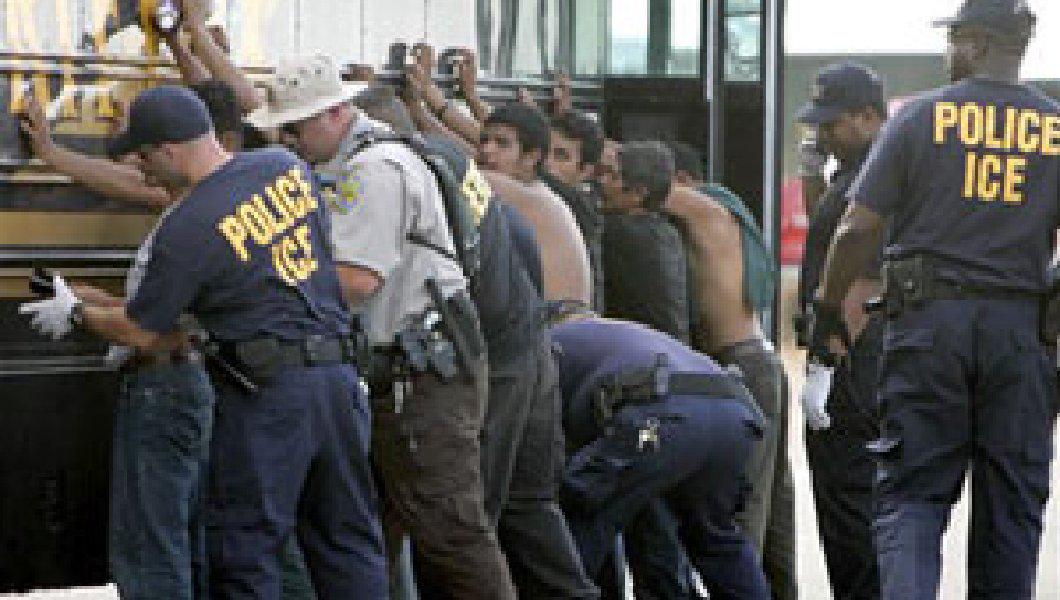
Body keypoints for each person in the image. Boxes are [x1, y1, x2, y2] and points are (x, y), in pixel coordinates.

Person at [20, 85, 388, 599]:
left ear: (169, 150)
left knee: (245, 550)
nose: (142, 169)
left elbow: (143, 333)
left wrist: (76, 310)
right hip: (338, 380)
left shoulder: (189, 227)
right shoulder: (285, 168)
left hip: (268, 398)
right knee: (346, 540)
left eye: (144, 157)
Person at [247, 53, 517, 599]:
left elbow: (354, 280)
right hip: (411, 368)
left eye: (295, 127)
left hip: (423, 373)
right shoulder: (364, 161)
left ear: (334, 113)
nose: (288, 140)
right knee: (378, 525)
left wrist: (267, 294)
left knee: (448, 527)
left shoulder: (374, 172)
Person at [813, 1, 1057, 598]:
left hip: (928, 326)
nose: (948, 54)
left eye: (954, 41)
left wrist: (827, 308)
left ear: (976, 43)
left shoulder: (921, 117)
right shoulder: (1054, 127)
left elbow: (856, 228)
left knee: (912, 496)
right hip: (1020, 332)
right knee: (1011, 509)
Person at [551, 317, 770, 600]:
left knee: (577, 515)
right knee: (716, 539)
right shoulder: (599, 335)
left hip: (660, 420)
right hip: (734, 418)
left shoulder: (540, 349)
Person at [665, 169, 795, 599]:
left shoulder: (709, 212)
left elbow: (647, 185)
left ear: (683, 178)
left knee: (744, 511)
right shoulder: (725, 223)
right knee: (774, 514)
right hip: (758, 366)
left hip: (745, 367)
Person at [795, 62, 888, 600]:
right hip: (859, 357)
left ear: (868, 116)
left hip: (855, 360)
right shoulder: (856, 174)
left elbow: (863, 280)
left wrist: (825, 364)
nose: (823, 135)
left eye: (832, 124)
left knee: (850, 505)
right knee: (852, 506)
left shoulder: (878, 176)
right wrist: (813, 173)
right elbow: (828, 229)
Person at [477, 103, 592, 311]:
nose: (487, 150)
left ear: (531, 157)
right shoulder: (531, 190)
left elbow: (459, 170)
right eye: (484, 140)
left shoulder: (532, 197)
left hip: (558, 323)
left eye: (502, 143)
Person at [544, 110, 608, 312]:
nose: (546, 163)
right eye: (543, 151)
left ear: (585, 171)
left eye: (561, 156)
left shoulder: (576, 206)